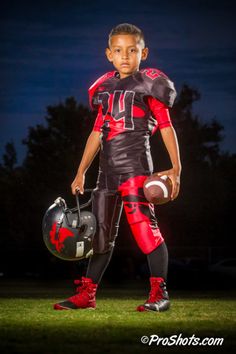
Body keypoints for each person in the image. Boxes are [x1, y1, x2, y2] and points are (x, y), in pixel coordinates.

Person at [54, 23, 181, 312]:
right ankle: (87, 295)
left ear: (143, 53)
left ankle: (159, 293)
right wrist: (80, 171)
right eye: (119, 50)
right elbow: (97, 132)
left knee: (145, 230)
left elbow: (166, 126)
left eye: (132, 50)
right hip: (105, 172)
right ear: (109, 54)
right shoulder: (104, 88)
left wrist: (176, 168)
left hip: (135, 169)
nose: (126, 56)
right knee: (99, 235)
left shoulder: (150, 84)